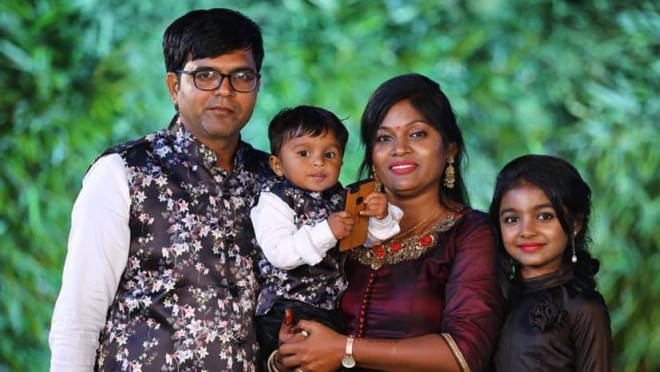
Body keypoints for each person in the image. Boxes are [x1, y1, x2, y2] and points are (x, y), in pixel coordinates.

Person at [49, 8, 272, 371]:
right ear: (174, 86)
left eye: (241, 76)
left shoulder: (275, 181)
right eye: (205, 75)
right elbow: (79, 314)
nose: (225, 91)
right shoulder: (123, 172)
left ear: (257, 85)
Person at [275, 73, 503, 372]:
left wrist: (343, 348)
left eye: (417, 134)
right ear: (372, 155)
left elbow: (465, 353)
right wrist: (287, 357)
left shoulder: (470, 233)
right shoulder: (337, 221)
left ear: (450, 149)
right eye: (384, 138)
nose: (400, 148)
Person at [250, 105, 403, 370]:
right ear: (277, 164)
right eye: (303, 153)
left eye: (329, 154)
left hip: (329, 310)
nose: (318, 161)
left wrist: (380, 217)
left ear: (341, 162)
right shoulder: (274, 200)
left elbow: (366, 240)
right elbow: (280, 253)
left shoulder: (339, 197)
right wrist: (326, 231)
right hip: (288, 308)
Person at [488, 154, 612, 371]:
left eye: (544, 216)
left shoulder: (584, 307)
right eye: (512, 219)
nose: (526, 231)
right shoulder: (491, 296)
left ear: (575, 223)